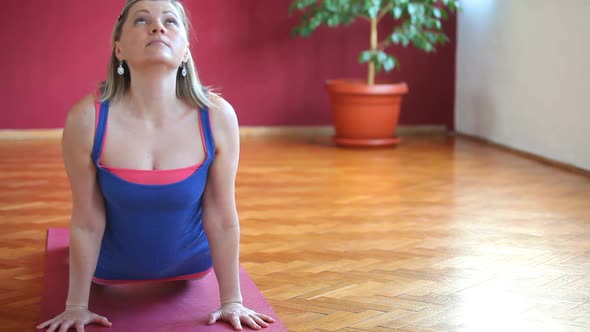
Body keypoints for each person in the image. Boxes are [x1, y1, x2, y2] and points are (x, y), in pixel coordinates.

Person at [36, 1, 275, 331]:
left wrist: (232, 300)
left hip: (193, 266)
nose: (158, 27)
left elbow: (221, 215)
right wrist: (76, 305)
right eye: (142, 20)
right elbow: (87, 219)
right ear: (118, 49)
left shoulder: (218, 116)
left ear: (186, 52)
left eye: (171, 22)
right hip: (109, 272)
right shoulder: (86, 119)